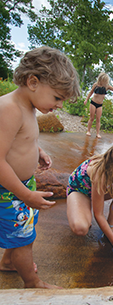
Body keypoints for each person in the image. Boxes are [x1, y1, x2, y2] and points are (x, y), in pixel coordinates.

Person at [0, 46, 80, 288]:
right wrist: (25, 195)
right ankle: (32, 283)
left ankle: (7, 261)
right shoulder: (9, 109)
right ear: (33, 81)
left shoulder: (29, 107)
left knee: (25, 229)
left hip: (23, 186)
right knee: (24, 239)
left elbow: (22, 140)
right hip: (11, 190)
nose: (59, 106)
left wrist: (38, 152)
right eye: (57, 98)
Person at [84, 72, 113, 138]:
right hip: (93, 103)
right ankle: (88, 131)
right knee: (91, 118)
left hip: (99, 105)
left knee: (98, 119)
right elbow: (91, 92)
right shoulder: (96, 85)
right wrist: (86, 99)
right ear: (100, 79)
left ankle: (97, 133)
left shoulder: (107, 87)